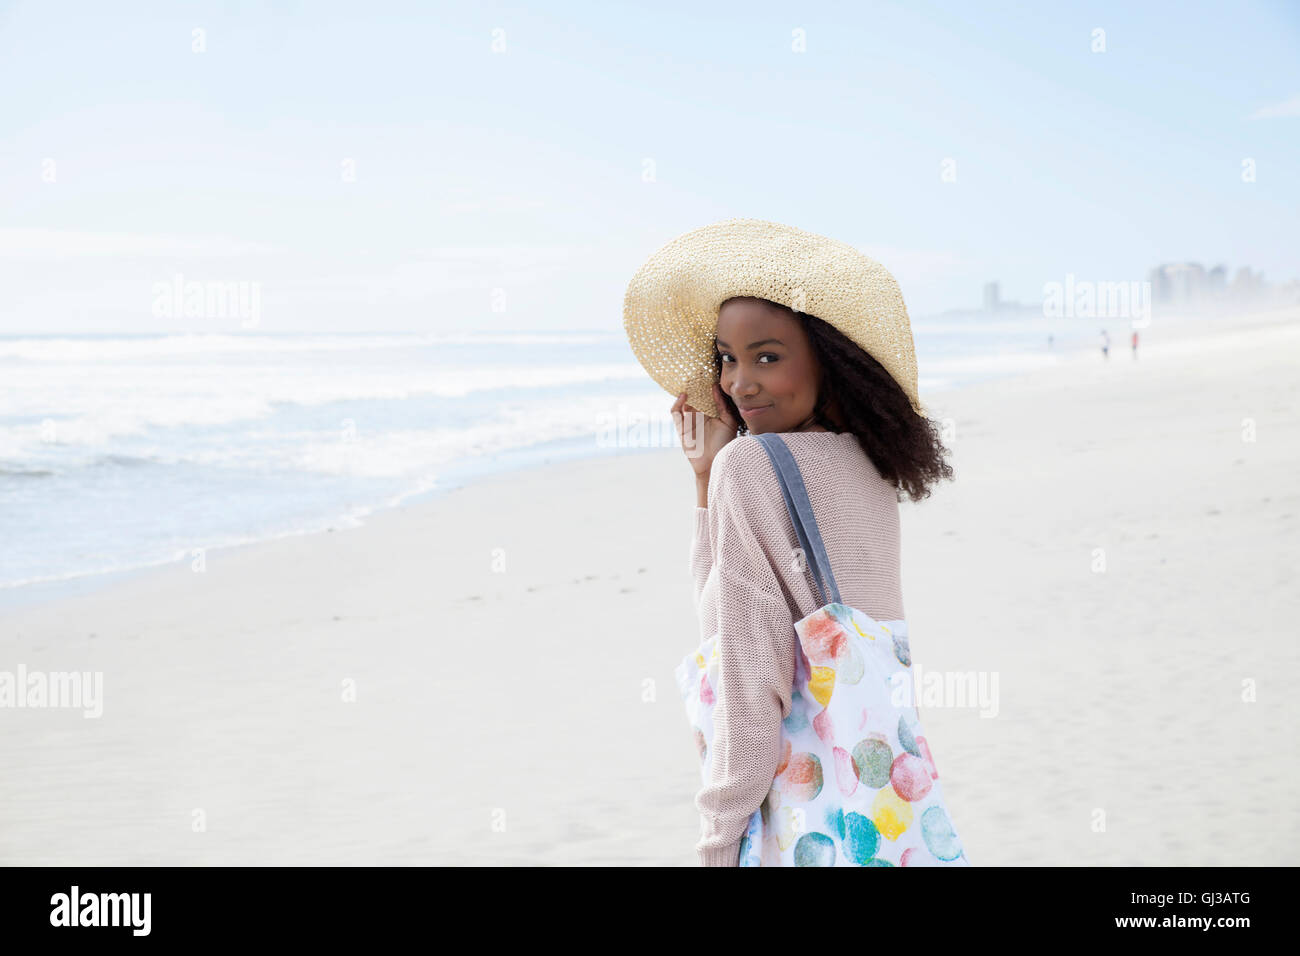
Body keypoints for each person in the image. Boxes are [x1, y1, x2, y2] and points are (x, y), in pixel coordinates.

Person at [623, 218, 955, 866]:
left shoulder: (749, 469)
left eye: (766, 356)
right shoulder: (870, 466)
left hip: (804, 820)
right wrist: (706, 482)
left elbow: (743, 673)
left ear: (827, 360)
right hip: (885, 810)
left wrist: (718, 842)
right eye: (726, 358)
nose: (738, 382)